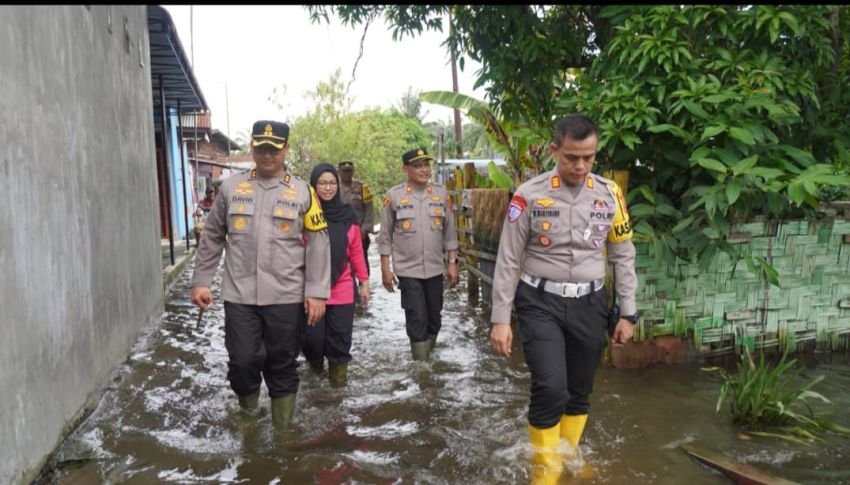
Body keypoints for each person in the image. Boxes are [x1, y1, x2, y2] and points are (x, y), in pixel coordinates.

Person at [489, 114, 638, 483]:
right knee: (551, 387)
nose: (581, 165)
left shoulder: (610, 194)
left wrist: (628, 313)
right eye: (572, 156)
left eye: (589, 157)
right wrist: (500, 319)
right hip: (540, 302)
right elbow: (508, 259)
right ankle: (546, 470)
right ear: (554, 150)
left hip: (590, 303)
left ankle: (568, 455)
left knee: (579, 390)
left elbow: (622, 254)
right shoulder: (528, 195)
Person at [190, 120, 331, 430]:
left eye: (274, 149)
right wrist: (202, 281)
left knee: (282, 365)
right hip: (239, 295)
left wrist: (317, 292)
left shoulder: (303, 192)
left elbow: (319, 243)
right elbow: (212, 236)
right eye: (261, 148)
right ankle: (250, 421)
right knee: (242, 363)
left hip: (286, 296)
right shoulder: (230, 188)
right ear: (253, 148)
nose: (268, 155)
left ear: (286, 150)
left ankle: (282, 438)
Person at [378, 148, 459, 361]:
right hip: (408, 270)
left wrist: (452, 262)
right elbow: (385, 236)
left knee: (435, 317)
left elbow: (450, 232)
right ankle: (422, 369)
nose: (424, 170)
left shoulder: (441, 194)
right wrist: (386, 270)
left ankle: (429, 358)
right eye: (418, 165)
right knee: (416, 317)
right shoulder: (393, 196)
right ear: (406, 169)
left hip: (434, 267)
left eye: (426, 165)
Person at [303, 163, 371, 387]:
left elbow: (356, 252)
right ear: (313, 186)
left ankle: (336, 391)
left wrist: (364, 282)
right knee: (312, 343)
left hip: (341, 289)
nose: (328, 188)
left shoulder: (347, 214)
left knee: (340, 343)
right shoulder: (304, 213)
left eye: (332, 183)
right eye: (322, 183)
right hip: (311, 290)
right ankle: (315, 385)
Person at [338, 160, 374, 274]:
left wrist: (365, 229)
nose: (347, 174)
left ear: (353, 172)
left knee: (362, 260)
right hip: (340, 232)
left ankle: (364, 285)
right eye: (344, 171)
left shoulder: (362, 187)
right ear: (338, 172)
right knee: (342, 262)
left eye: (349, 171)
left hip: (359, 233)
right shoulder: (333, 188)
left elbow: (369, 209)